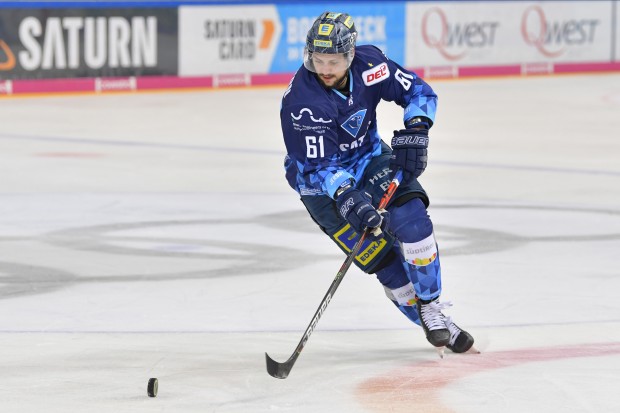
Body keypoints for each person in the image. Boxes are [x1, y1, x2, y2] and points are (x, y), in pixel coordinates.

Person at [280, 11, 475, 354]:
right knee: (384, 264)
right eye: (318, 60)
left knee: (412, 221)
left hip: (370, 159)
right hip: (320, 188)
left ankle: (430, 306)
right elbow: (317, 166)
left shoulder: (372, 65)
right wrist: (347, 197)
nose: (325, 69)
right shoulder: (302, 102)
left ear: (351, 55)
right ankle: (437, 322)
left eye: (334, 60)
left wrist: (417, 129)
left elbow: (417, 91)